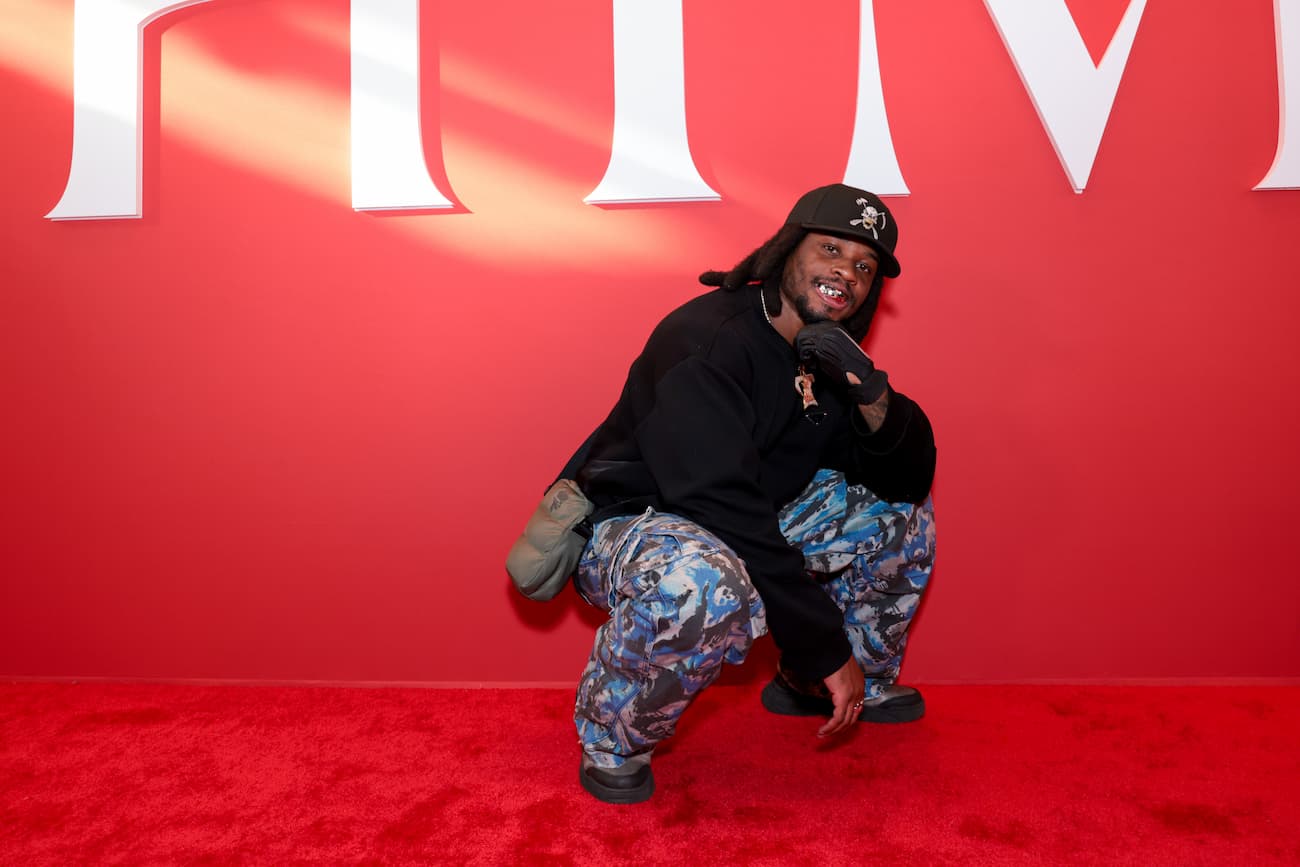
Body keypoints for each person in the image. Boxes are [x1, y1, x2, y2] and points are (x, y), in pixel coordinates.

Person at [568, 184, 937, 804]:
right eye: (831, 249)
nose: (846, 272)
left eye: (864, 266)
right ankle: (612, 738)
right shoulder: (708, 339)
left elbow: (907, 480)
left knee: (896, 516)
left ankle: (825, 684)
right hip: (638, 523)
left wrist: (869, 389)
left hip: (749, 515)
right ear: (787, 249)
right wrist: (821, 641)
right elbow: (722, 504)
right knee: (703, 582)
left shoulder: (823, 353)